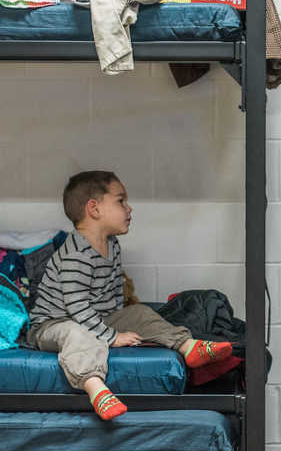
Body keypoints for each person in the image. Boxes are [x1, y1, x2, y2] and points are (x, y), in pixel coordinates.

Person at [27, 171, 233, 420]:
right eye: (120, 201)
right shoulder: (76, 254)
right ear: (94, 208)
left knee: (140, 313)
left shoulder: (112, 244)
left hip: (96, 318)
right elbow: (76, 308)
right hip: (54, 324)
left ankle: (188, 346)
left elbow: (114, 293)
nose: (129, 208)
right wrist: (112, 337)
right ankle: (96, 388)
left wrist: (122, 320)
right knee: (75, 333)